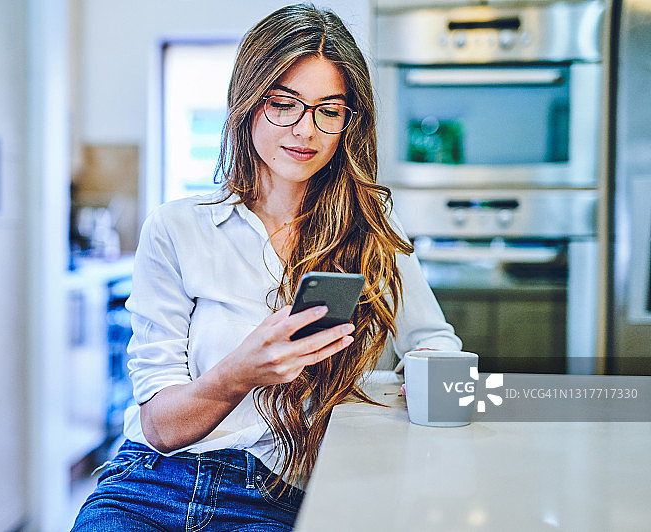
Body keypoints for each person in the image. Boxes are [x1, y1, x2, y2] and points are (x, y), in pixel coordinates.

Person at [71, 4, 461, 531]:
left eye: (329, 109)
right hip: (150, 485)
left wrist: (427, 373)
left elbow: (436, 344)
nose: (306, 129)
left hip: (277, 498)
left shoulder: (373, 233)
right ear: (248, 104)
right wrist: (240, 372)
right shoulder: (175, 228)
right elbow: (160, 426)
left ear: (350, 121)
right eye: (285, 104)